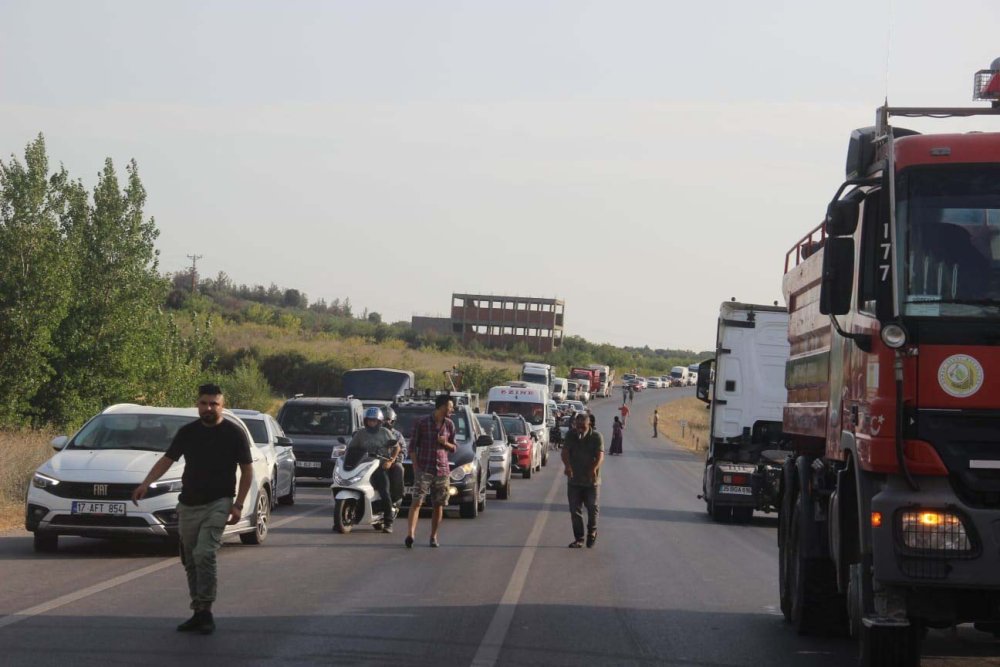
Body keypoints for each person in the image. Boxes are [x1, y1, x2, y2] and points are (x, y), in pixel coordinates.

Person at [132, 383, 253, 635]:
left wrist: (238, 504)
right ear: (197, 404)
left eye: (214, 404)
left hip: (219, 502)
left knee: (204, 553)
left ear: (222, 405)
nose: (208, 408)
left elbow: (247, 470)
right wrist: (146, 484)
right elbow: (167, 459)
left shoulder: (233, 433)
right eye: (204, 403)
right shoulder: (188, 432)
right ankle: (198, 610)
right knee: (189, 558)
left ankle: (207, 610)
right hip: (188, 504)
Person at [405, 393, 456, 548]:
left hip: (442, 470)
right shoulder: (422, 423)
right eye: (450, 406)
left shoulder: (449, 425)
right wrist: (416, 468)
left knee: (438, 504)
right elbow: (412, 447)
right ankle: (410, 535)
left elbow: (454, 447)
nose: (452, 409)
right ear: (441, 406)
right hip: (424, 469)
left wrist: (445, 443)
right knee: (417, 502)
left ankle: (433, 536)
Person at [346, 407, 402, 532]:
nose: (372, 423)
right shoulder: (360, 433)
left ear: (379, 421)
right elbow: (351, 448)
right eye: (369, 420)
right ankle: (341, 518)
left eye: (374, 421)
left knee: (384, 491)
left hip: (380, 466)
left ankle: (388, 522)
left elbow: (397, 448)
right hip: (362, 465)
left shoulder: (385, 432)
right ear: (365, 421)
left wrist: (390, 461)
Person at [562, 411, 604, 548]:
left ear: (589, 423)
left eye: (583, 425)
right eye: (577, 425)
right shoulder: (570, 435)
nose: (580, 428)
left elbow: (600, 456)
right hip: (574, 481)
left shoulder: (597, 436)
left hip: (591, 481)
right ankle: (579, 538)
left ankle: (592, 531)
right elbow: (565, 452)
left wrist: (593, 468)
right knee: (574, 510)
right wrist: (567, 466)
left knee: (592, 507)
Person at [382, 407, 406, 505]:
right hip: (373, 461)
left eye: (388, 420)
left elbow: (403, 451)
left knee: (399, 468)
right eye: (383, 419)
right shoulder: (371, 433)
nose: (385, 422)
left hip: (390, 462)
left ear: (392, 421)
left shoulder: (397, 435)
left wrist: (393, 460)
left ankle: (397, 496)